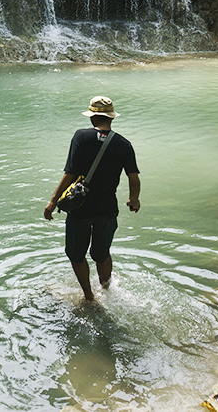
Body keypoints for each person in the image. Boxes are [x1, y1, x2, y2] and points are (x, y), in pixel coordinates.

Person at [43, 95, 141, 301]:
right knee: (102, 253)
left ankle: (88, 296)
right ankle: (107, 291)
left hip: (81, 206)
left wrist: (53, 201)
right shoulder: (124, 144)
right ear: (111, 118)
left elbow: (70, 173)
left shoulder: (81, 137)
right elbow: (133, 177)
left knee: (77, 254)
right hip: (107, 207)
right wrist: (134, 199)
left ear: (92, 117)